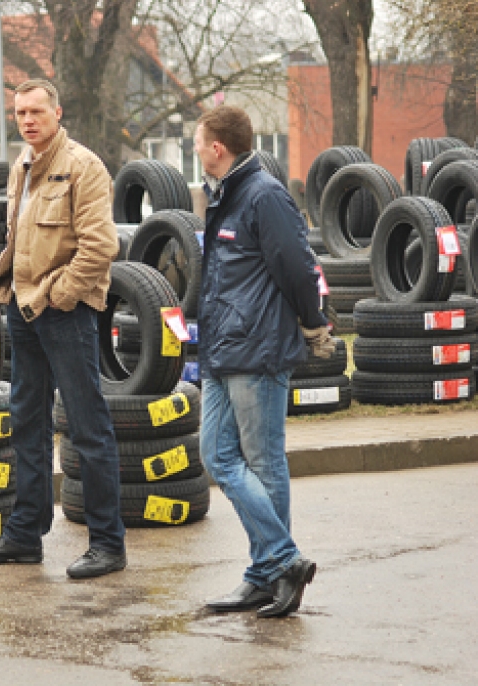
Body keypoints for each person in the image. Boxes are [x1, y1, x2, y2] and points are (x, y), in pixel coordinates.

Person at [0, 79, 126, 579]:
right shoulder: (23, 166)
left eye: (37, 111)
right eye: (20, 114)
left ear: (58, 111)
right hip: (23, 307)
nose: (28, 120)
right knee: (26, 423)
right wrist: (11, 287)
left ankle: (107, 544)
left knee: (86, 426)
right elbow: (19, 235)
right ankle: (25, 534)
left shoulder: (84, 166)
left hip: (65, 312)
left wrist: (59, 294)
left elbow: (101, 246)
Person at [194, 105, 334, 617]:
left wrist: (313, 324)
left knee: (264, 462)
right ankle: (279, 563)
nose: (194, 150)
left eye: (197, 141)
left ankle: (270, 572)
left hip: (258, 349)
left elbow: (299, 269)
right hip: (222, 349)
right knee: (217, 456)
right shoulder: (225, 198)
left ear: (218, 148)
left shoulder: (263, 195)